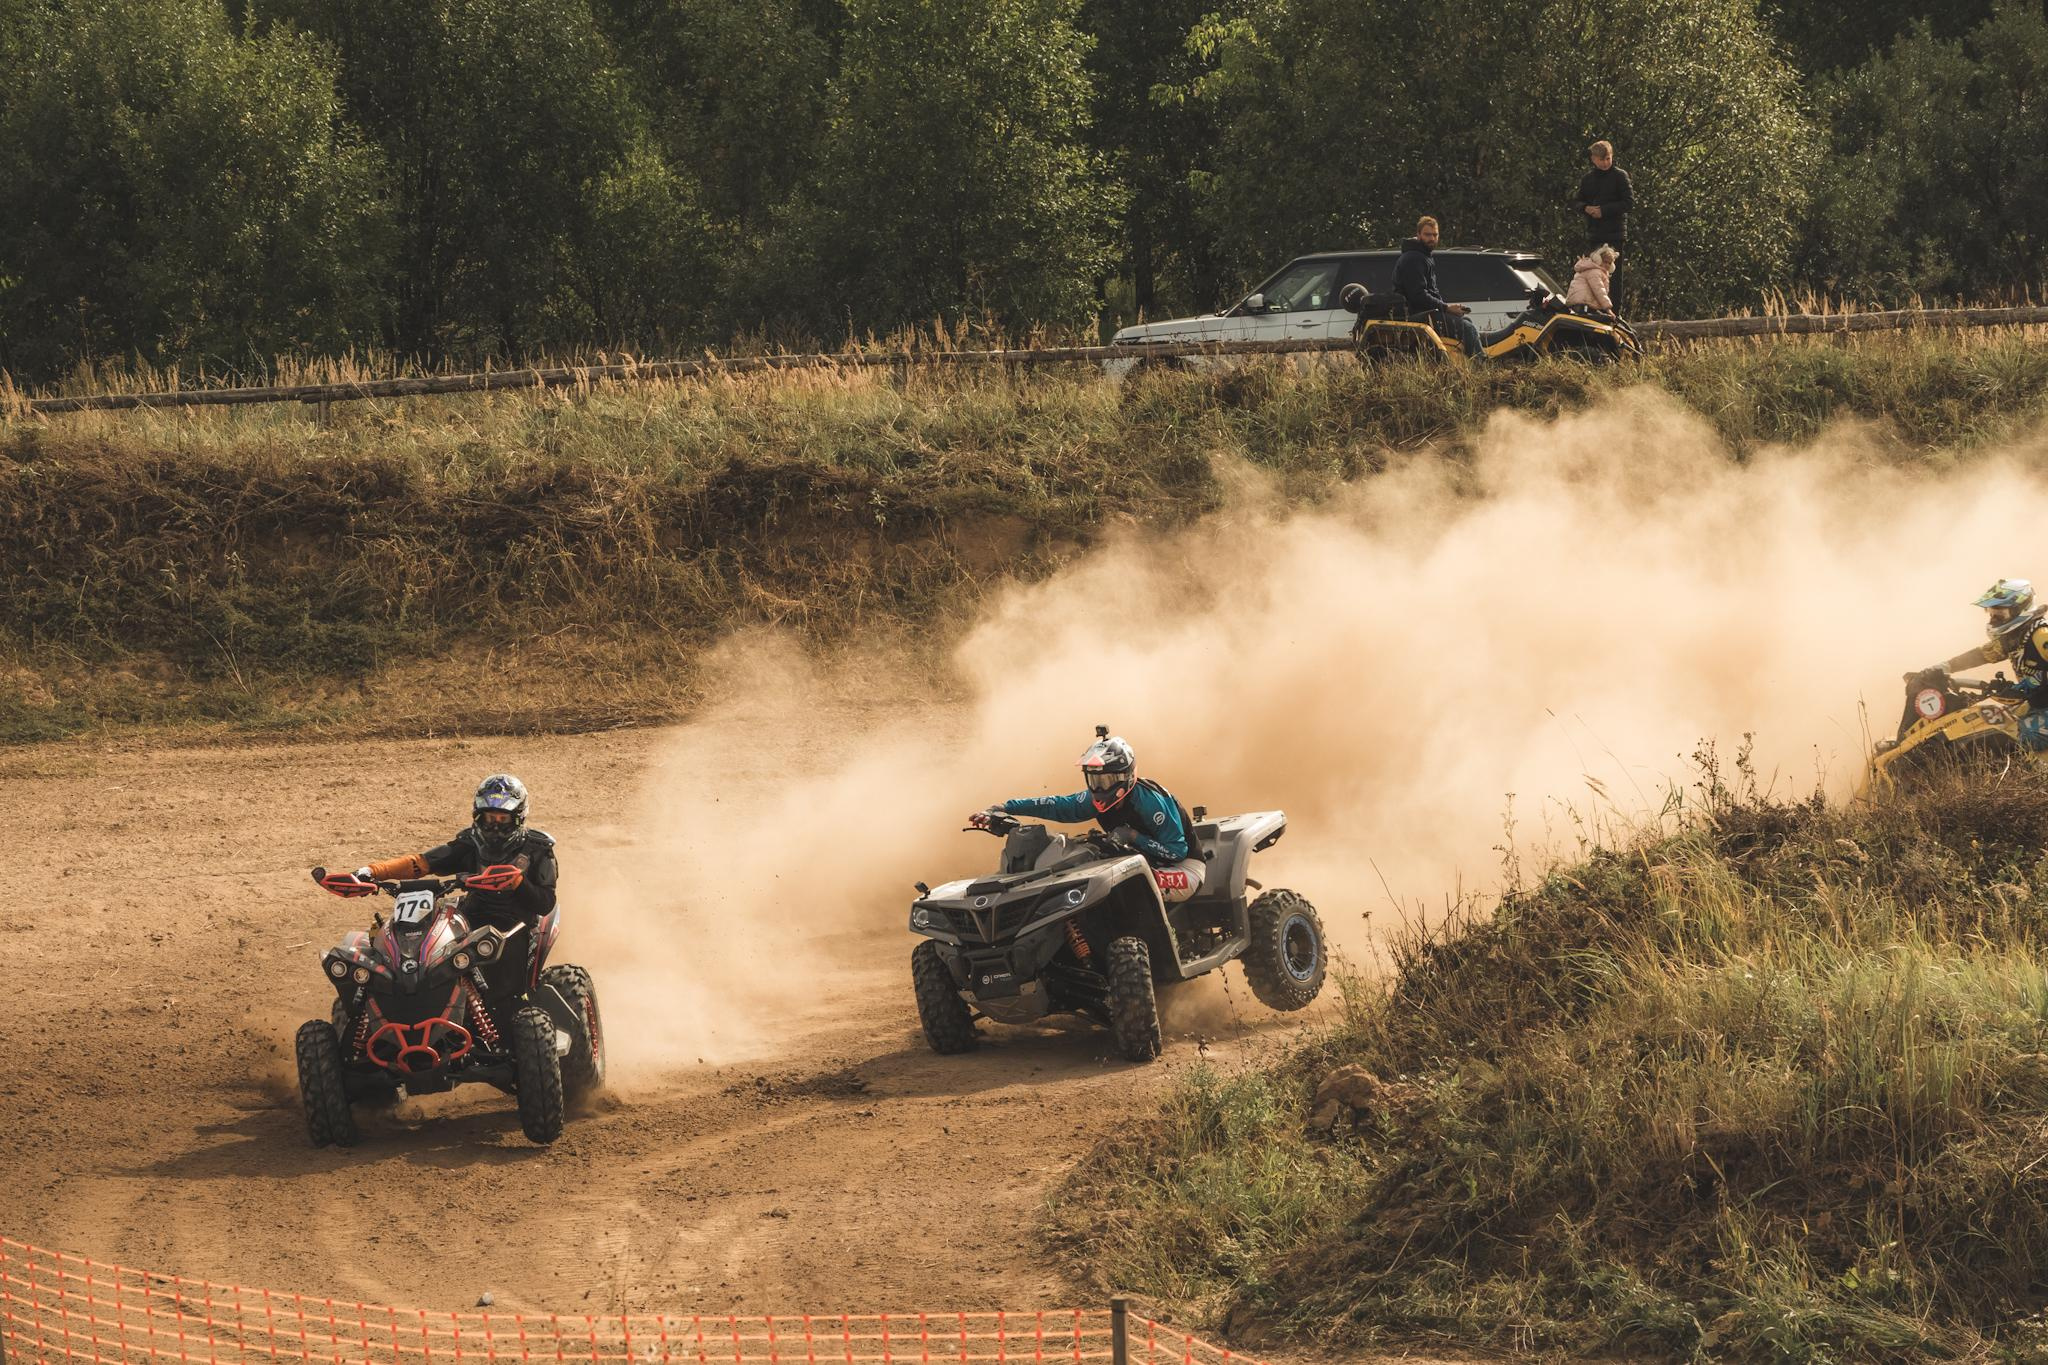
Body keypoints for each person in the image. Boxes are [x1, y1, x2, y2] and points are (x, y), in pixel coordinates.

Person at [321, 774, 560, 989]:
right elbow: (422, 863)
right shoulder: (470, 843)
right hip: (471, 918)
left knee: (510, 988)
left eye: (502, 818)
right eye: (489, 817)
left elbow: (545, 903)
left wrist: (518, 883)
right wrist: (372, 872)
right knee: (424, 950)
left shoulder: (538, 849)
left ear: (518, 818)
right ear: (478, 815)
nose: (495, 825)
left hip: (516, 926)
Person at [971, 730, 1207, 903]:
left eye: (1106, 780)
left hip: (1183, 868)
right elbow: (1055, 806)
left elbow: (1177, 851)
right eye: (1094, 780)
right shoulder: (1096, 800)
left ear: (1125, 776)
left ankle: (1163, 946)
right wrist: (1004, 807)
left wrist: (1133, 836)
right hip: (1140, 861)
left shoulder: (1150, 803)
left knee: (1133, 885)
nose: (1099, 788)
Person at [1912, 579, 2048, 749]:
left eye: (2000, 614)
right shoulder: (2015, 637)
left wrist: (2030, 684)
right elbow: (1980, 655)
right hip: (2037, 706)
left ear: (2020, 609)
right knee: (1993, 724)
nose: (1994, 619)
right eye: (1991, 613)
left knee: (2017, 736)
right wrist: (1940, 668)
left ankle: (2037, 775)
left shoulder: (2041, 635)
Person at [1390, 216, 1485, 359]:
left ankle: (1461, 363)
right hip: (1414, 314)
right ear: (1418, 235)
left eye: (1435, 235)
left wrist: (1448, 308)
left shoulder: (1424, 256)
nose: (1432, 238)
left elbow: (1431, 291)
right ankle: (1480, 365)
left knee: (1466, 322)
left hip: (1425, 312)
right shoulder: (1413, 259)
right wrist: (1446, 308)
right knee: (1468, 329)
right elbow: (1418, 295)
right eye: (1427, 235)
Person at [1573, 140, 1633, 302]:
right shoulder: (1588, 179)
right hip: (1595, 233)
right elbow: (1577, 201)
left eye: (1608, 158)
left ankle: (1615, 311)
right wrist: (1586, 208)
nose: (1606, 163)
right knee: (1593, 272)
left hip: (1615, 233)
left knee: (1613, 274)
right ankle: (1596, 307)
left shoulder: (1620, 176)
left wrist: (1604, 211)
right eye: (1602, 159)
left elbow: (1628, 203)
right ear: (1593, 159)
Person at [1565, 244, 1619, 314]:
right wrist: (1608, 309)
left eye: (1610, 263)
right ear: (1598, 260)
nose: (1607, 265)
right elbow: (1599, 290)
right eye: (1605, 262)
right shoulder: (1595, 272)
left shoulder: (1595, 270)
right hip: (1583, 304)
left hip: (1580, 303)